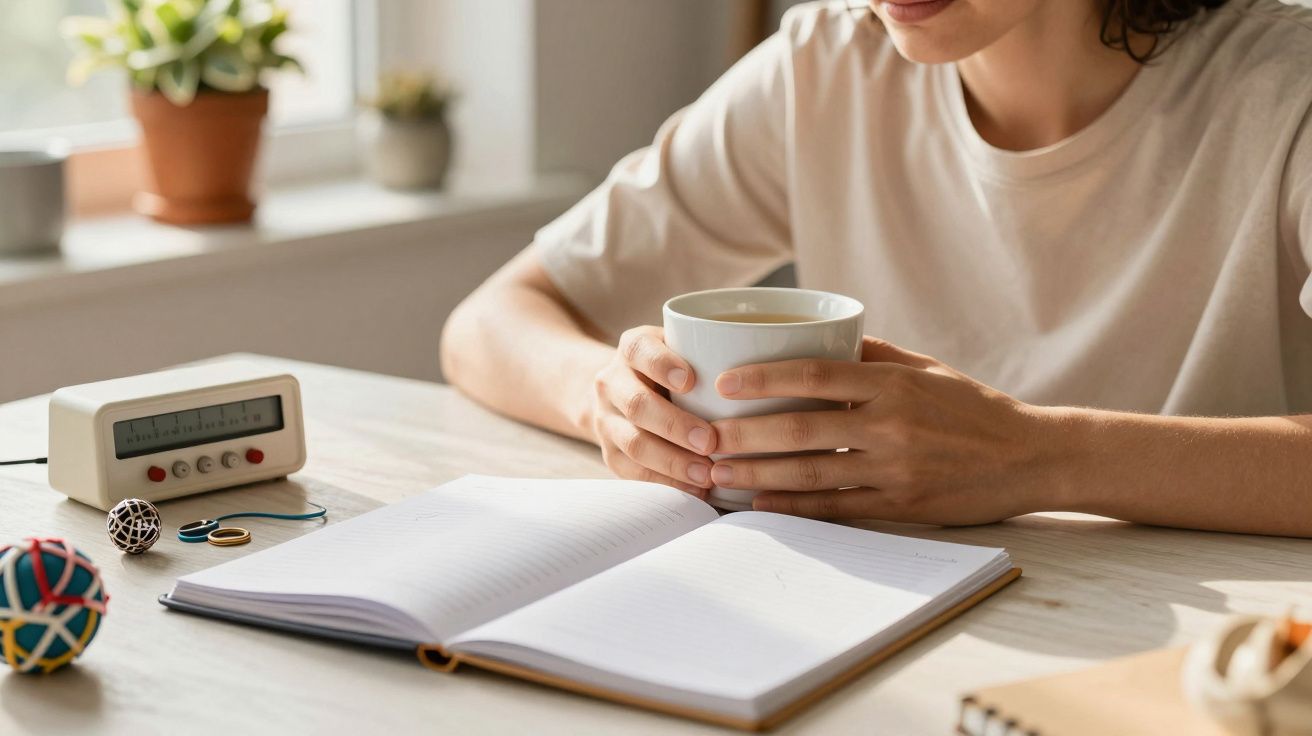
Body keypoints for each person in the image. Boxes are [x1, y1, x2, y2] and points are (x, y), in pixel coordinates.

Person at [441, 0, 1312, 537]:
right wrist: (607, 398)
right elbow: (489, 323)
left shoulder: (1287, 91)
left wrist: (1045, 458)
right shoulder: (824, 67)